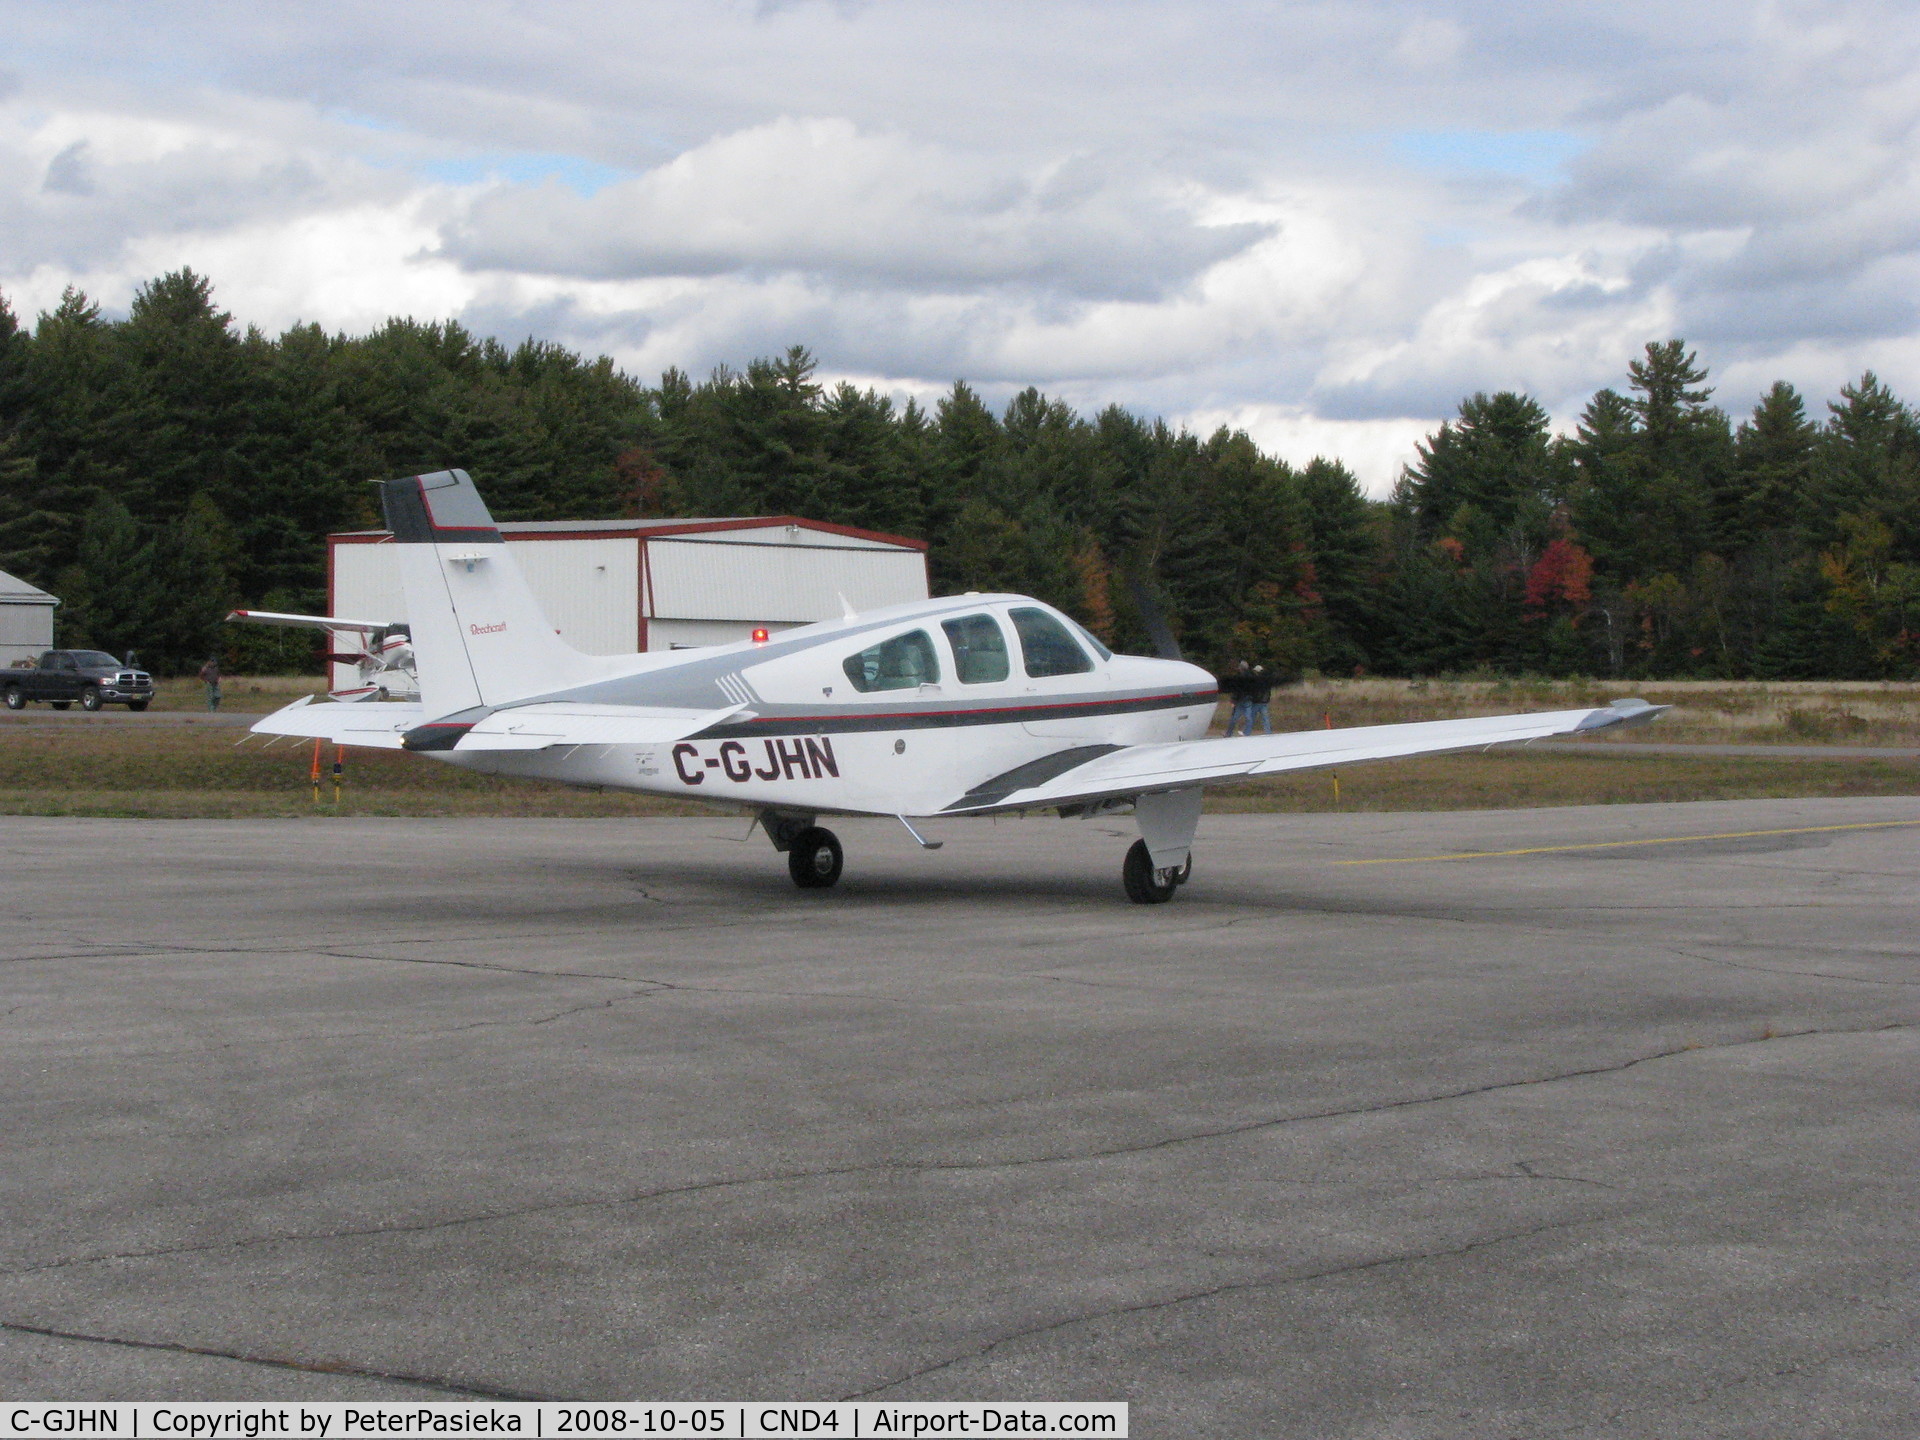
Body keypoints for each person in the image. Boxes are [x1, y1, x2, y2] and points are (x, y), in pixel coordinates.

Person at [1223, 660, 1254, 736]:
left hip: (1240, 700)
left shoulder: (1239, 677)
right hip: (1249, 699)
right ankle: (1247, 733)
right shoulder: (1251, 677)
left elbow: (1237, 690)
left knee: (1234, 718)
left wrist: (1233, 700)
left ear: (1241, 668)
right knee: (1248, 717)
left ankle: (1229, 733)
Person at [1244, 664, 1274, 735]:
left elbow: (1254, 691)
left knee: (1251, 718)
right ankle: (1268, 732)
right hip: (1264, 702)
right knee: (1265, 718)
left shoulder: (1256, 680)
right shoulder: (1266, 679)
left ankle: (1246, 732)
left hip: (1257, 702)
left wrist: (1252, 698)